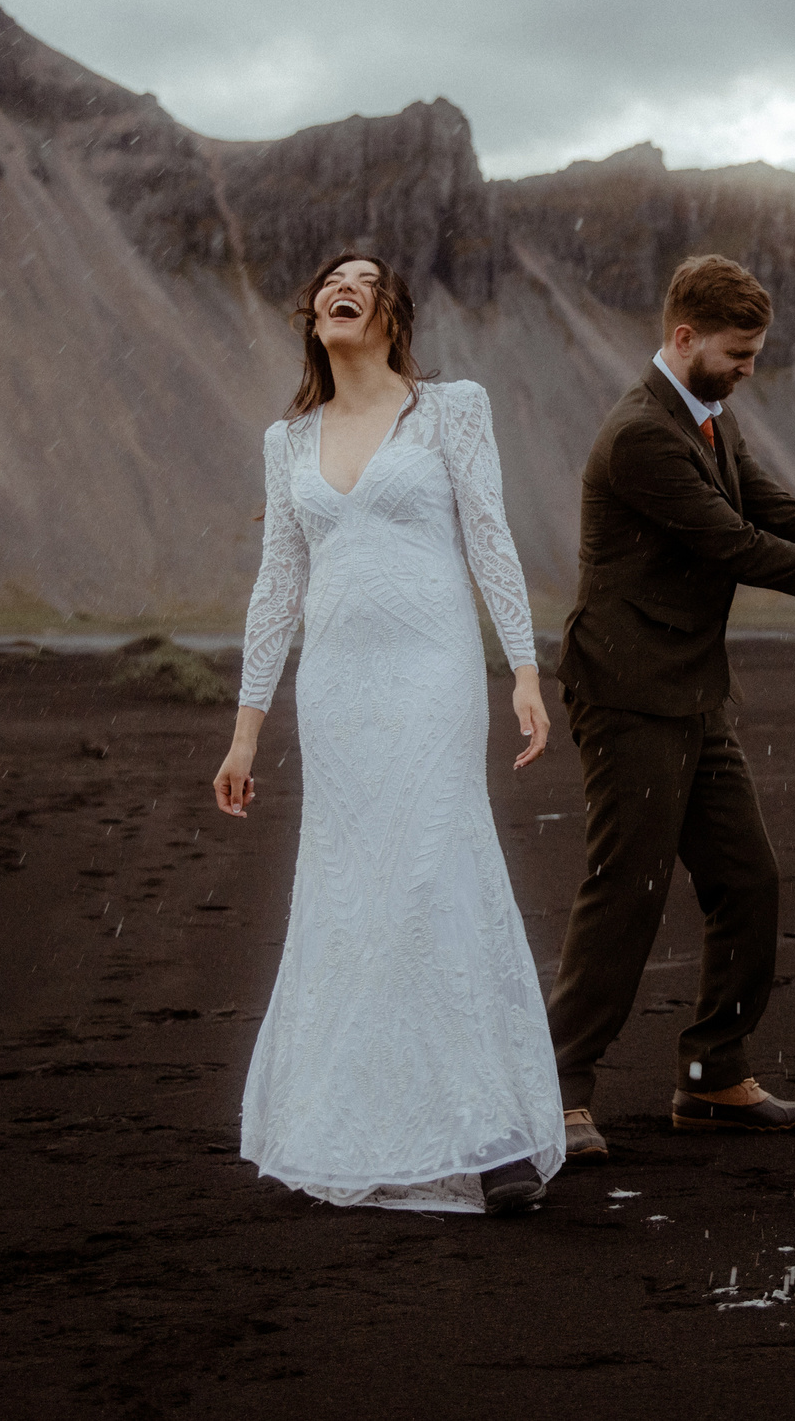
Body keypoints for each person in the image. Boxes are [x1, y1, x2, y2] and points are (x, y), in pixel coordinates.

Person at [546, 253, 795, 1158]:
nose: (749, 370)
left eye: (756, 354)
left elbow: (781, 512)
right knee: (626, 891)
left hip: (693, 694)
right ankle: (559, 1091)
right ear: (683, 337)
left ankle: (713, 1078)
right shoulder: (642, 435)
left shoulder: (709, 420)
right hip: (627, 694)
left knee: (748, 879)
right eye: (739, 353)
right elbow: (735, 545)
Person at [215, 252, 563, 1215]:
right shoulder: (287, 441)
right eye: (332, 277)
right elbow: (276, 586)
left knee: (434, 870)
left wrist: (524, 671)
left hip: (432, 672)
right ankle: (345, 1117)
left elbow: (489, 534)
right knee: (353, 887)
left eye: (365, 278)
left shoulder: (452, 409)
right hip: (334, 690)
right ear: (313, 313)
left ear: (391, 313)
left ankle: (491, 1134)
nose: (345, 285)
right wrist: (245, 732)